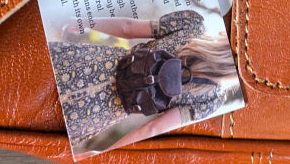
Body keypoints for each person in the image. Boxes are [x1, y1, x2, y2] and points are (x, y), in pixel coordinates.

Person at [48, 9, 236, 152]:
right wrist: (106, 152)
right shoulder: (211, 101)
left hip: (92, 63)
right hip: (101, 111)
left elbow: (127, 28)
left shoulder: (192, 25)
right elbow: (153, 129)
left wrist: (81, 21)